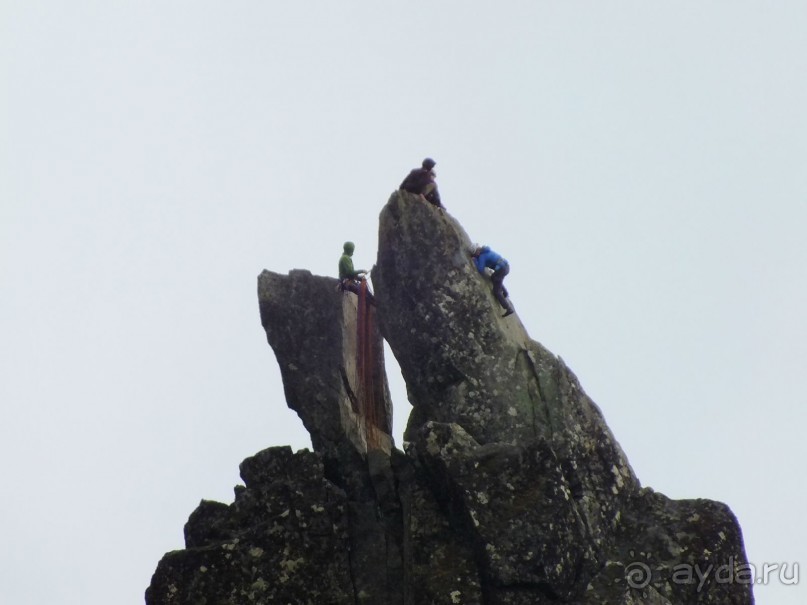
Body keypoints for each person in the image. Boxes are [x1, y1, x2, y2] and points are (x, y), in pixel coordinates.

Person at [471, 244, 515, 317]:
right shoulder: (487, 251)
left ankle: (508, 308)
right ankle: (505, 293)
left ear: (477, 251)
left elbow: (480, 269)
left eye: (475, 253)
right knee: (495, 278)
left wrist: (475, 261)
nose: (475, 255)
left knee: (496, 291)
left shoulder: (482, 256)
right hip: (506, 267)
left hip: (501, 269)